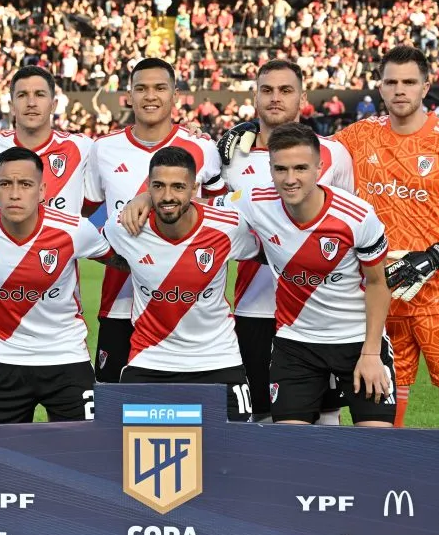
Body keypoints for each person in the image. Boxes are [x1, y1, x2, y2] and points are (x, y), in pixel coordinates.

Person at [121, 59, 357, 423]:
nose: (275, 98)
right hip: (254, 306)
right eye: (266, 90)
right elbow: (185, 193)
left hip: (316, 310)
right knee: (259, 415)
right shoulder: (230, 153)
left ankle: (321, 480)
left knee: (325, 413)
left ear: (303, 98)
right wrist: (143, 196)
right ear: (255, 96)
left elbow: (344, 228)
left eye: (285, 90)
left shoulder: (333, 154)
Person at [334, 46, 439, 430]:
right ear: (381, 87)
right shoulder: (359, 136)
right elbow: (304, 153)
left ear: (425, 87)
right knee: (387, 409)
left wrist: (436, 255)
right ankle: (385, 486)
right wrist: (256, 131)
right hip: (382, 294)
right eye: (391, 82)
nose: (399, 90)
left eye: (409, 82)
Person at [0, 148, 126, 424]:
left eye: (25, 184)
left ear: (42, 190)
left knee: (84, 454)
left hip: (66, 357)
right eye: (6, 184)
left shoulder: (74, 230)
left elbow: (123, 260)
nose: (15, 193)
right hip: (1, 358)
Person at [231, 123, 394, 426]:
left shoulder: (357, 216)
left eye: (301, 168)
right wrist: (146, 198)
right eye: (280, 169)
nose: (290, 179)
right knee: (290, 450)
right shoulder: (254, 200)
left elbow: (378, 283)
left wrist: (371, 354)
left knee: (376, 445)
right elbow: (199, 209)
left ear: (319, 168)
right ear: (270, 168)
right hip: (296, 343)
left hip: (357, 340)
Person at [86, 57, 226, 384]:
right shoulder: (103, 149)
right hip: (120, 304)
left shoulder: (202, 148)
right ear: (129, 96)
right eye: (142, 89)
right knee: (114, 415)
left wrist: (153, 199)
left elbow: (222, 213)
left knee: (199, 416)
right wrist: (115, 255)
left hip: (187, 305)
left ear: (175, 95)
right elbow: (83, 221)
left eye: (160, 88)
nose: (151, 96)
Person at [103, 147, 258, 421]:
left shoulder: (228, 226)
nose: (167, 196)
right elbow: (100, 251)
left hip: (218, 360)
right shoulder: (123, 227)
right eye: (158, 186)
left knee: (235, 456)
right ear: (148, 186)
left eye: (178, 187)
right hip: (149, 361)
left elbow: (270, 252)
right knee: (138, 459)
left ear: (194, 188)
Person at [0, 66, 97, 216]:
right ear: (12, 107)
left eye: (39, 94)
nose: (31, 103)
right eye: (22, 95)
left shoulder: (83, 147)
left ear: (53, 105)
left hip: (63, 239)